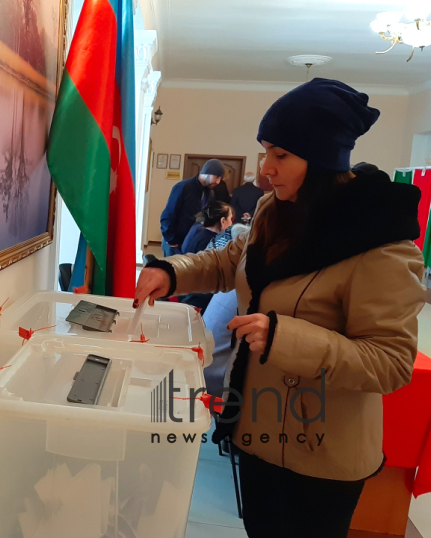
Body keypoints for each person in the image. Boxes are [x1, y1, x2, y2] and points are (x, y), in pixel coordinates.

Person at [134, 78, 425, 538]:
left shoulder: (382, 245)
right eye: (266, 151)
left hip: (323, 452)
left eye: (282, 155)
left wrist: (284, 337)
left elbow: (390, 363)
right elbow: (229, 262)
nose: (266, 168)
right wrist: (170, 271)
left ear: (324, 158)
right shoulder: (275, 210)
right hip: (257, 430)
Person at [160, 159, 225, 256]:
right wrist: (171, 240)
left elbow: (203, 216)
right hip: (175, 243)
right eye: (216, 177)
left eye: (220, 178)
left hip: (191, 243)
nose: (218, 182)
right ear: (206, 172)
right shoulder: (183, 187)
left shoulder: (210, 193)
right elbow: (168, 215)